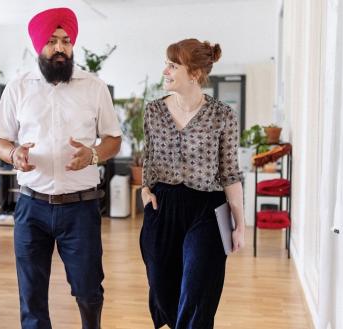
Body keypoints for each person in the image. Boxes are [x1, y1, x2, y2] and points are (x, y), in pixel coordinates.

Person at [0, 7, 122, 329]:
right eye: (51, 41)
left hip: (81, 207)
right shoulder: (18, 87)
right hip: (31, 205)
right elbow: (0, 141)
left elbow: (113, 139)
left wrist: (92, 155)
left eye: (65, 40)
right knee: (32, 295)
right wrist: (14, 155)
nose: (60, 48)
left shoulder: (94, 86)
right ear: (39, 46)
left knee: (88, 289)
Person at [139, 39, 246, 329]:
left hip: (207, 209)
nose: (165, 70)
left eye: (173, 66)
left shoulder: (222, 115)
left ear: (194, 73)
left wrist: (240, 224)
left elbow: (230, 172)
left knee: (198, 291)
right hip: (163, 206)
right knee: (163, 288)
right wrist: (145, 191)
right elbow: (148, 159)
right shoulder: (153, 112)